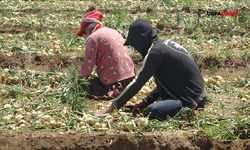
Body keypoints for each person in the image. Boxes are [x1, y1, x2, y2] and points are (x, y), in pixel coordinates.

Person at [94, 18, 207, 120]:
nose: (134, 48)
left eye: (134, 44)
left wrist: (112, 107)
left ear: (141, 40)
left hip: (191, 99)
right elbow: (168, 81)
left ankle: (186, 109)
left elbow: (138, 82)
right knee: (151, 102)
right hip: (194, 93)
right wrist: (146, 100)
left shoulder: (155, 53)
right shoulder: (163, 45)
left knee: (153, 111)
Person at [75, 11, 135, 100]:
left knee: (80, 86)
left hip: (115, 86)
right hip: (132, 82)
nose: (85, 36)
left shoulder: (93, 38)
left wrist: (75, 78)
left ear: (89, 28)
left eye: (84, 32)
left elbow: (87, 70)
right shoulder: (114, 32)